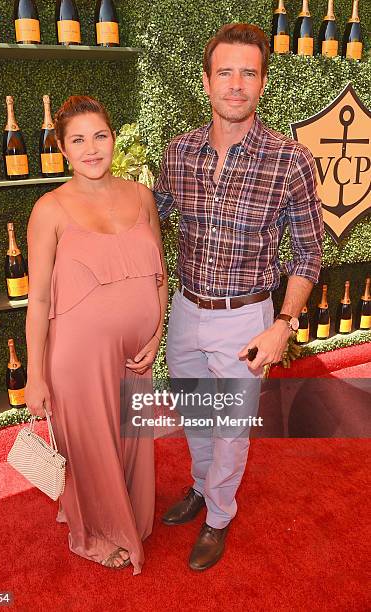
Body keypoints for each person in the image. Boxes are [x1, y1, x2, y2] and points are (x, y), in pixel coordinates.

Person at [154, 23, 323, 571]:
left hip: (246, 318)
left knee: (229, 431)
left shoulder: (291, 159)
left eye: (247, 73)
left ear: (262, 83)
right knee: (198, 416)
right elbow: (145, 224)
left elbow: (307, 253)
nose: (235, 84)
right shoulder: (177, 153)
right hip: (184, 311)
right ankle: (202, 488)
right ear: (206, 82)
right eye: (225, 72)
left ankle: (219, 516)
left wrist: (285, 323)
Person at [24, 95, 168, 575]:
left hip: (136, 356)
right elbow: (39, 300)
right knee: (90, 448)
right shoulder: (49, 209)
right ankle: (99, 532)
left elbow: (159, 277)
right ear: (63, 150)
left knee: (127, 438)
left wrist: (158, 332)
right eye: (78, 140)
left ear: (113, 138)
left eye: (100, 136)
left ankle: (125, 514)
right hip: (76, 357)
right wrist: (34, 377)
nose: (92, 149)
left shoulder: (141, 195)